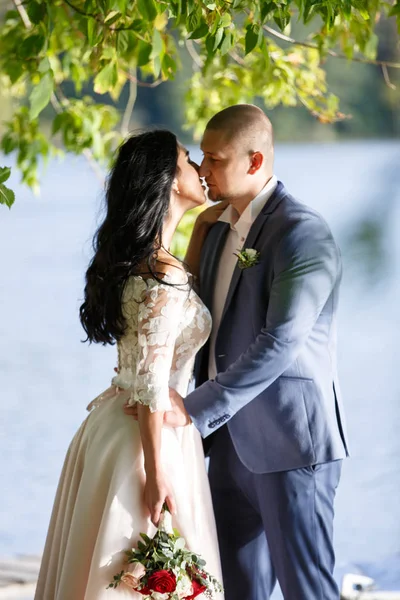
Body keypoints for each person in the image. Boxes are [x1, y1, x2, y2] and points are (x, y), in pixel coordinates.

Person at [137, 105, 350, 600]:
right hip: (225, 449)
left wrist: (192, 411)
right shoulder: (213, 228)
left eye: (214, 159)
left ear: (254, 162)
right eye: (202, 157)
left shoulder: (302, 233)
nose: (203, 170)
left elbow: (281, 342)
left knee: (307, 591)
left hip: (290, 447)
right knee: (235, 591)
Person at [34, 130, 224, 600]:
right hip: (148, 438)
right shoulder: (163, 272)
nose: (199, 167)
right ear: (167, 180)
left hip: (115, 426)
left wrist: (201, 227)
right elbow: (155, 382)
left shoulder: (147, 263)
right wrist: (158, 473)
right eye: (186, 159)